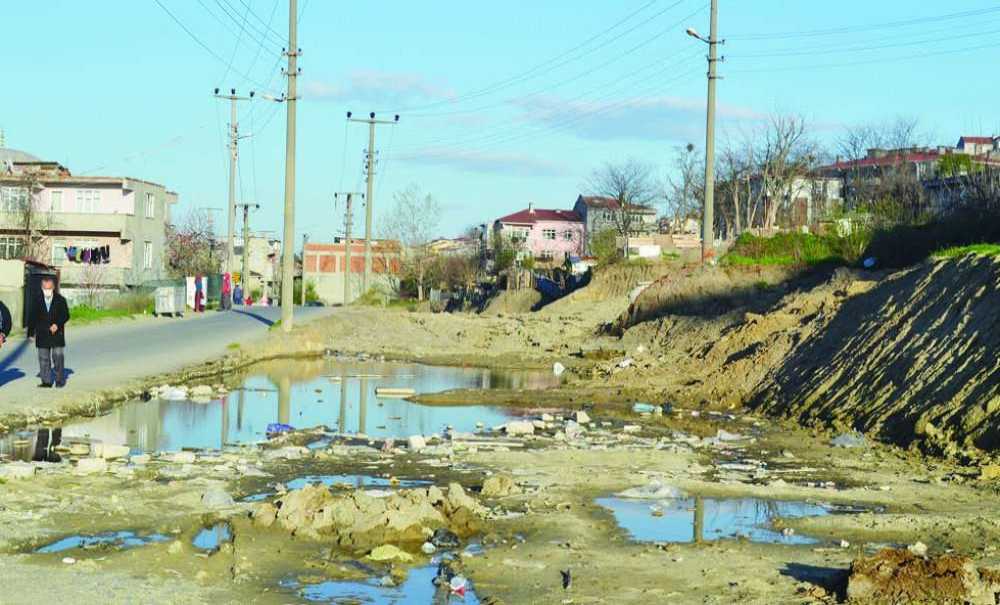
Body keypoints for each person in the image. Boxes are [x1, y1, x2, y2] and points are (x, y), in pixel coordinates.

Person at [27, 276, 70, 388]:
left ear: (53, 287)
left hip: (57, 333)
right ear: (42, 288)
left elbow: (66, 315)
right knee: (43, 358)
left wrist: (57, 324)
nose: (47, 290)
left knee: (58, 356)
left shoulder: (60, 300)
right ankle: (46, 381)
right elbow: (32, 317)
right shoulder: (36, 300)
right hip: (42, 333)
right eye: (45, 288)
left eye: (49, 288)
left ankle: (59, 380)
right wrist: (31, 333)